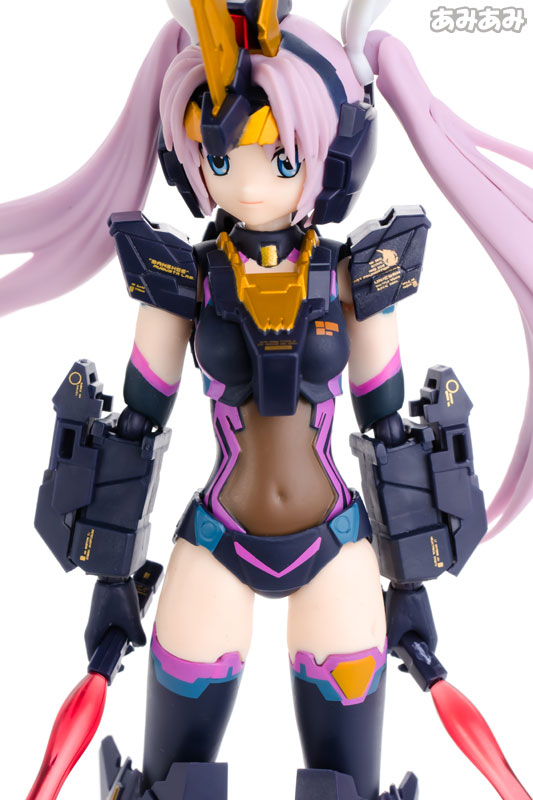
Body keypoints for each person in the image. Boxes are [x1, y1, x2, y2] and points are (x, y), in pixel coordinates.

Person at [1, 2, 531, 799]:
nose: (246, 183)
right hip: (216, 542)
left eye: (279, 158)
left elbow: (387, 427)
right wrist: (112, 576)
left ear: (333, 156)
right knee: (173, 786)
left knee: (344, 786)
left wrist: (409, 584)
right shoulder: (181, 280)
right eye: (220, 157)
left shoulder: (356, 279)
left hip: (337, 547)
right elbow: (139, 423)